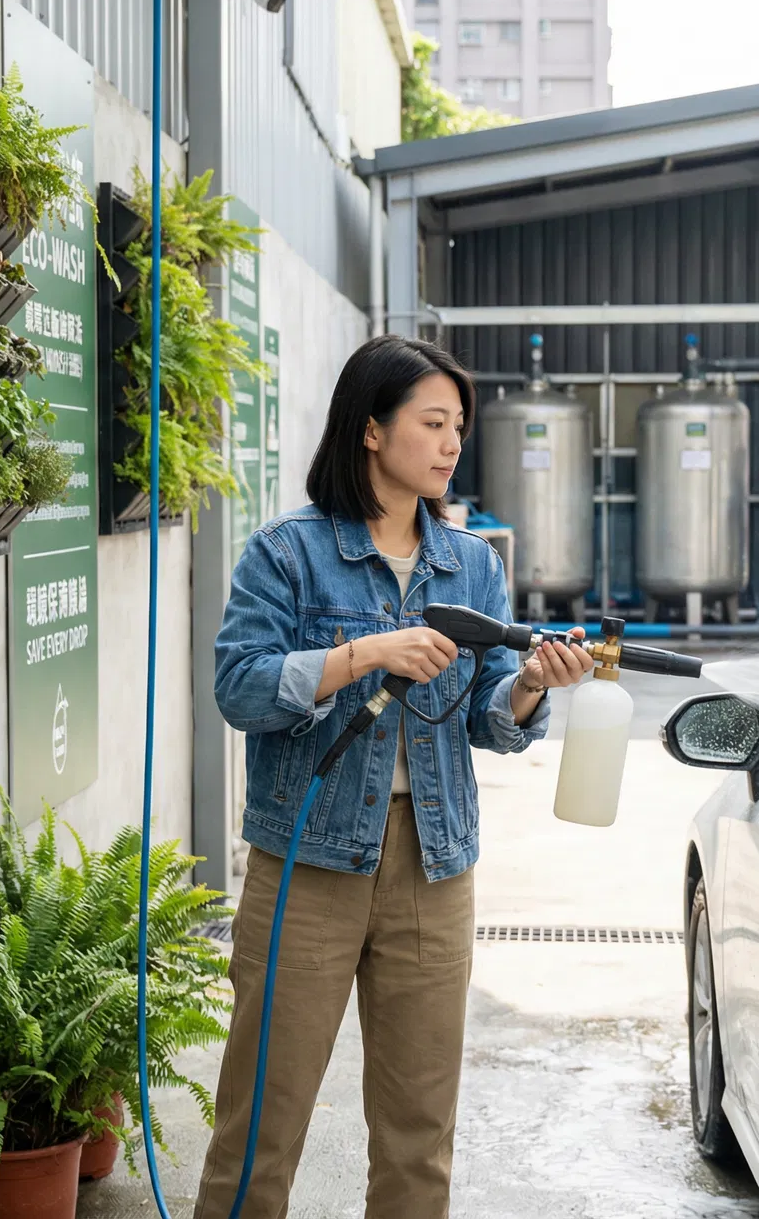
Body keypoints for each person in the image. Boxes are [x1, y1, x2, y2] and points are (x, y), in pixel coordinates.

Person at [200, 335, 597, 1219]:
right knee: (261, 1127)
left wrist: (531, 684)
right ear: (371, 430)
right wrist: (362, 653)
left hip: (434, 866)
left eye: (459, 425)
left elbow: (492, 716)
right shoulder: (289, 554)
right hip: (306, 866)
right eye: (433, 422)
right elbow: (239, 687)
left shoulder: (473, 564)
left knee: (421, 1137)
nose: (453, 443)